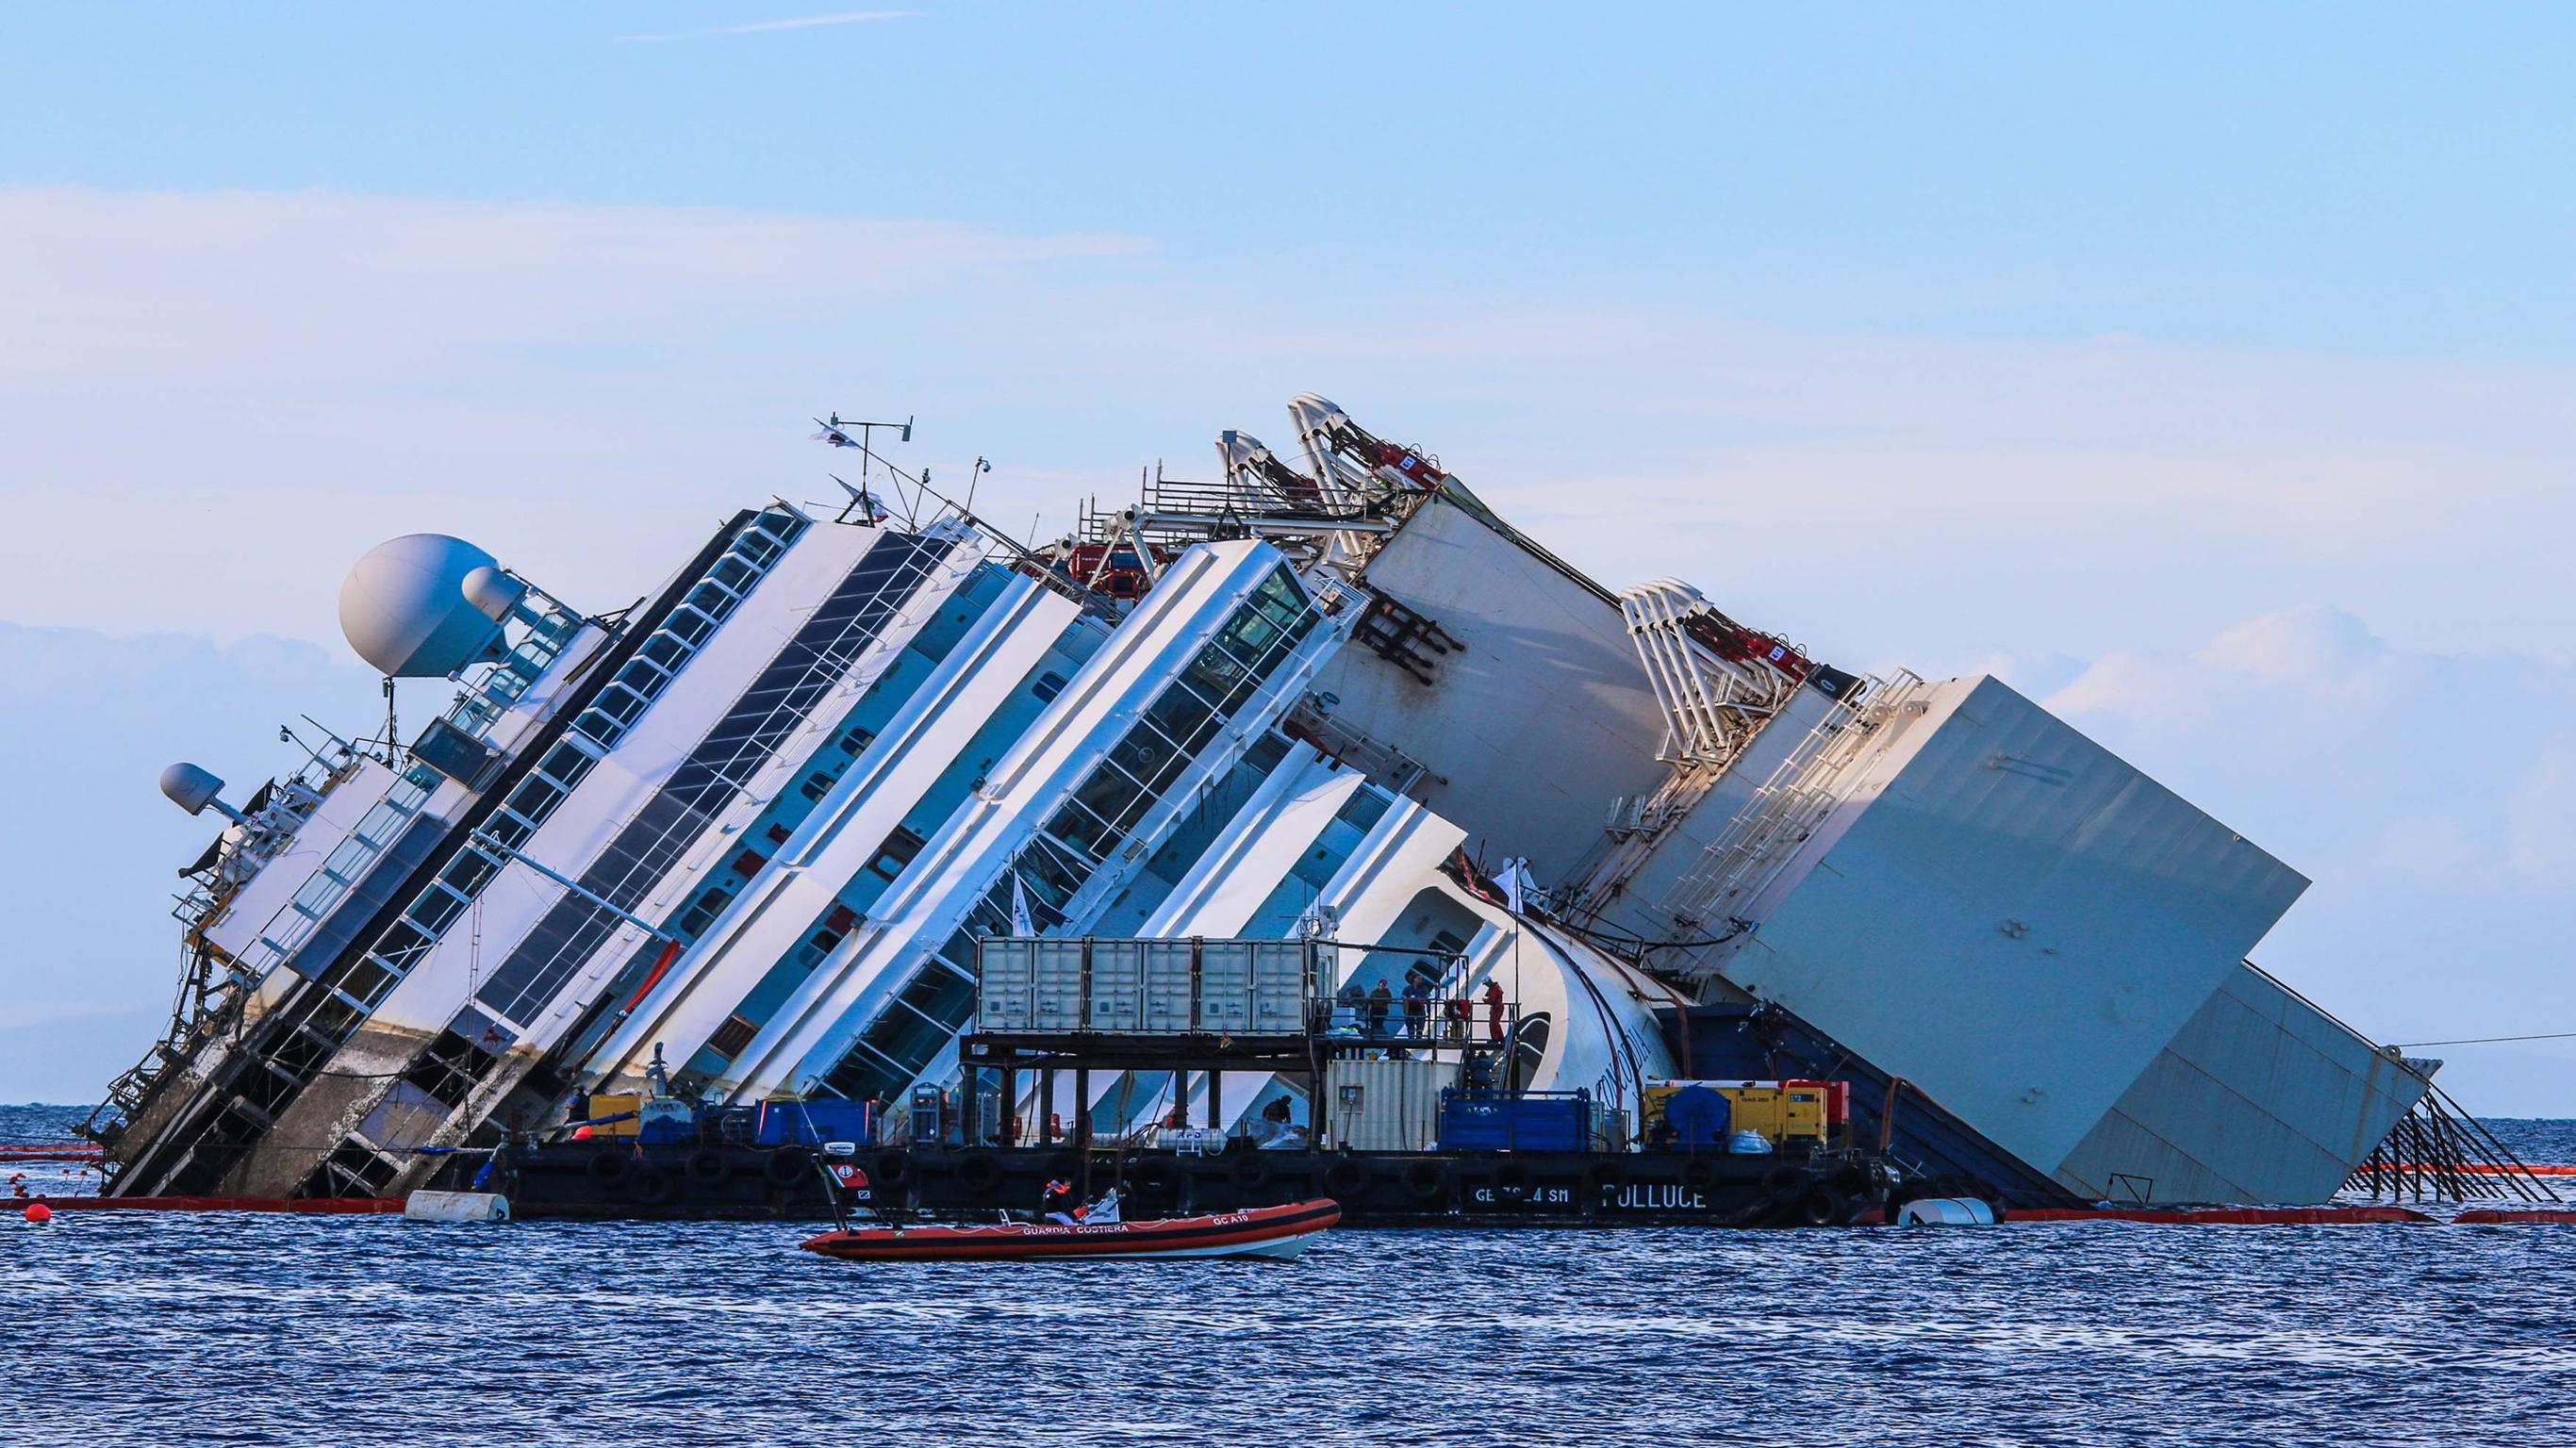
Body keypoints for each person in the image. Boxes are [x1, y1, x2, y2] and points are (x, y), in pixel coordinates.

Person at [1401, 971, 1432, 1039]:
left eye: (1421, 979)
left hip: (1420, 1008)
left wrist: (1428, 1010)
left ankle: (1419, 1037)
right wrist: (1405, 1010)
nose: (1420, 980)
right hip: (1411, 1008)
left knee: (1420, 1023)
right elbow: (1404, 999)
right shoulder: (1408, 989)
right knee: (1410, 1023)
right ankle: (1411, 1037)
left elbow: (1427, 999)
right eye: (1418, 978)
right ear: (1414, 979)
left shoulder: (1424, 988)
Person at [1482, 978, 1507, 1043]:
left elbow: (1492, 1000)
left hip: (1497, 1008)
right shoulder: (1496, 987)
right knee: (1495, 1023)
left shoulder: (1494, 988)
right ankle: (1500, 1038)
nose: (1486, 985)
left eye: (1486, 984)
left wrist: (1485, 1000)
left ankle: (1496, 1039)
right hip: (1497, 1008)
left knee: (1493, 1024)